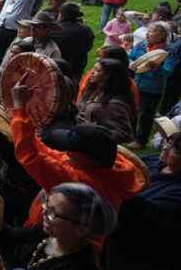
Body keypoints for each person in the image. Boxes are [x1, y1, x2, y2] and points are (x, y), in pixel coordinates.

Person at [10, 75, 142, 231]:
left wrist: (19, 109)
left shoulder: (79, 184)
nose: (66, 152)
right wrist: (22, 127)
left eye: (71, 149)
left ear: (89, 159)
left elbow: (31, 157)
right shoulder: (111, 165)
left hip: (54, 235)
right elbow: (52, 155)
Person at [0, 182, 117, 270]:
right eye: (46, 203)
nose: (44, 211)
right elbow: (13, 236)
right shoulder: (52, 232)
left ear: (81, 229)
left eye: (53, 212)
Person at [107, 131, 181, 270]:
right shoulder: (155, 162)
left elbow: (140, 216)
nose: (165, 148)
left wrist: (110, 185)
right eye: (167, 143)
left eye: (175, 150)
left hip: (142, 267)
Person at [128, 22, 175, 149]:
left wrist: (157, 67)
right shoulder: (142, 45)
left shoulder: (168, 50)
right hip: (136, 84)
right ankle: (130, 135)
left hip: (153, 88)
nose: (147, 34)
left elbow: (169, 70)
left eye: (152, 32)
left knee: (145, 114)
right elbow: (131, 56)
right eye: (148, 31)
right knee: (132, 110)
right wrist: (131, 62)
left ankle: (141, 140)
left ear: (162, 35)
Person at [76, 58, 136, 144]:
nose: (92, 73)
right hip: (80, 141)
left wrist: (94, 129)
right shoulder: (91, 90)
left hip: (98, 148)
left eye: (97, 70)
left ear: (108, 75)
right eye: (93, 69)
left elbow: (124, 134)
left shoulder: (116, 105)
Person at [51, 2, 94, 81]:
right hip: (77, 66)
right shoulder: (86, 29)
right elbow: (89, 47)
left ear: (61, 14)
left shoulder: (54, 29)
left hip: (57, 65)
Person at [160, 18, 181, 115]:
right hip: (171, 70)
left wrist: (173, 71)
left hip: (176, 74)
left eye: (179, 27)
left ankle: (168, 113)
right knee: (167, 93)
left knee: (172, 94)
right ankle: (163, 111)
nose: (178, 29)